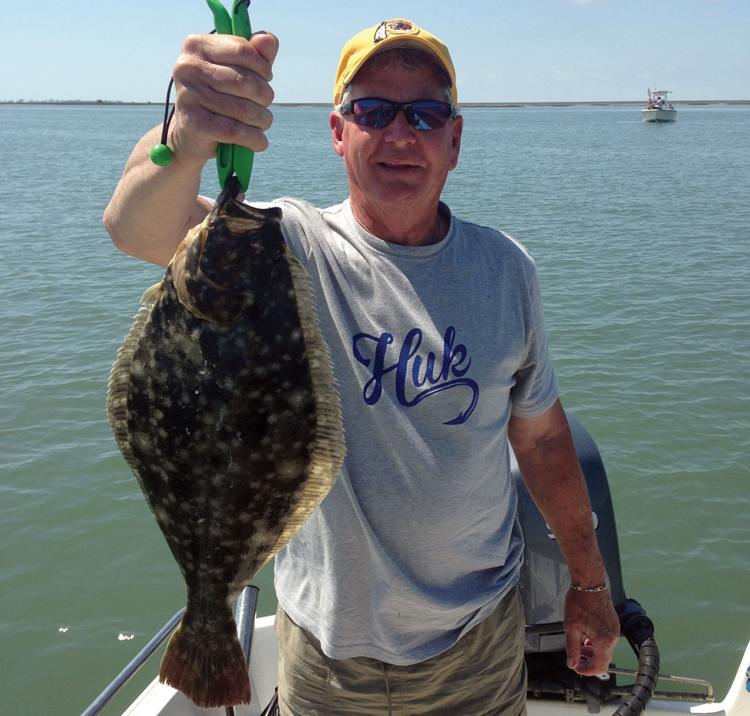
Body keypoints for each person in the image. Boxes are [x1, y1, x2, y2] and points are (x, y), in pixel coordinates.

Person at [104, 18, 620, 716]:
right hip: (327, 655)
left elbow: (543, 439)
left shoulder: (506, 269)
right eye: (373, 111)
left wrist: (588, 585)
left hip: (478, 643)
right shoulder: (284, 247)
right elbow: (134, 226)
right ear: (338, 132)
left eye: (426, 113)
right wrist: (184, 138)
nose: (401, 133)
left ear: (455, 140)